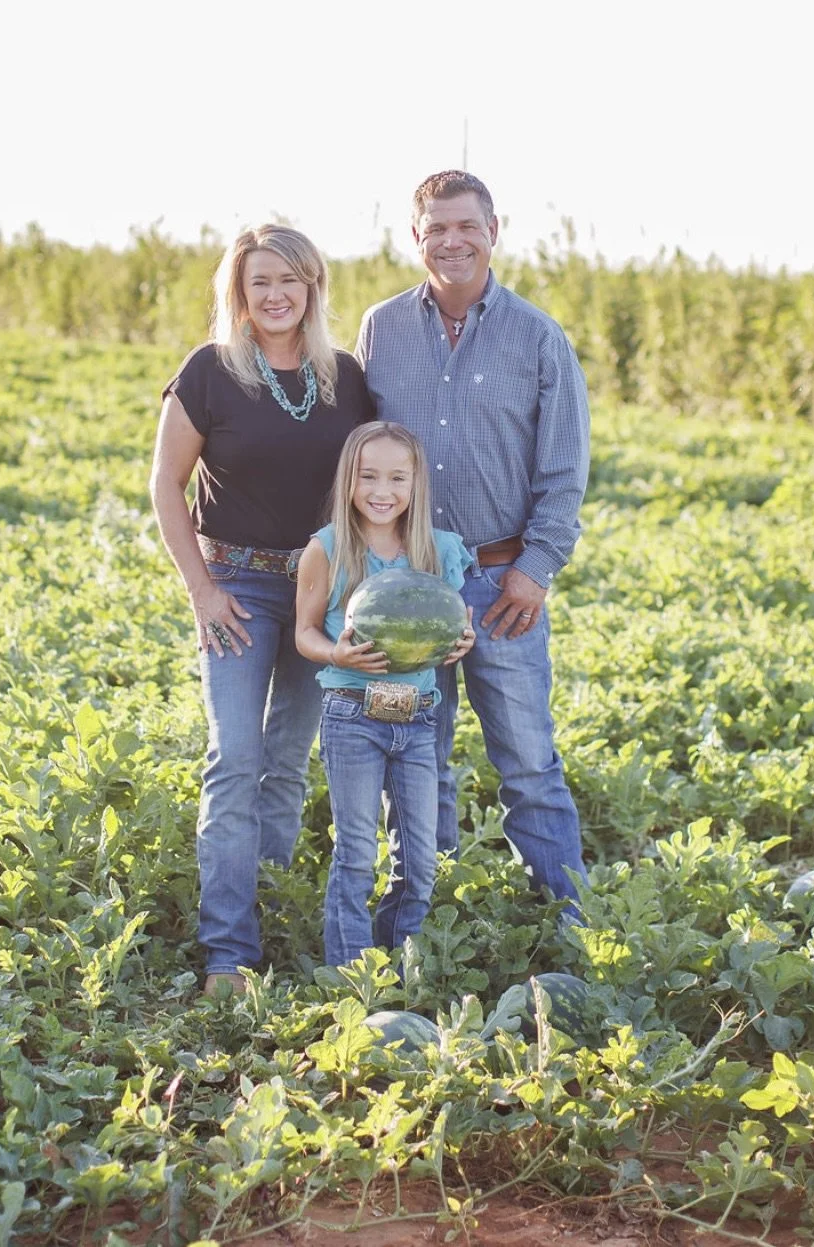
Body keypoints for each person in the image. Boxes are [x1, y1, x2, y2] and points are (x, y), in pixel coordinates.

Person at [355, 170, 591, 917]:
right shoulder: (380, 328)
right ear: (415, 237)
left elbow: (564, 468)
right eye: (437, 229)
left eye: (467, 226)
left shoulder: (538, 336)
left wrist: (535, 569)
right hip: (403, 581)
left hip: (500, 587)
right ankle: (422, 915)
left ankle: (572, 919)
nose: (452, 241)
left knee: (527, 758)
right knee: (409, 750)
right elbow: (361, 454)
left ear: (496, 230)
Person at [150, 224, 374, 996]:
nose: (276, 295)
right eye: (259, 283)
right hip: (237, 589)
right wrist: (201, 590)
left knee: (287, 760)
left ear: (311, 287)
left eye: (290, 280)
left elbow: (375, 481)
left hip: (320, 589)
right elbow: (164, 487)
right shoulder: (210, 372)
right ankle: (227, 953)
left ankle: (270, 908)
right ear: (238, 297)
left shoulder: (346, 376)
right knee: (235, 757)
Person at [295, 423, 475, 966]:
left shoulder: (439, 553)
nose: (383, 490)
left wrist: (459, 641)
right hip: (352, 715)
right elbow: (304, 634)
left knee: (420, 859)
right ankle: (352, 974)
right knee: (354, 855)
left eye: (398, 477)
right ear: (348, 480)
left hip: (417, 717)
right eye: (369, 475)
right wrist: (337, 655)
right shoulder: (326, 549)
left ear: (417, 484)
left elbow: (450, 628)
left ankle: (400, 962)